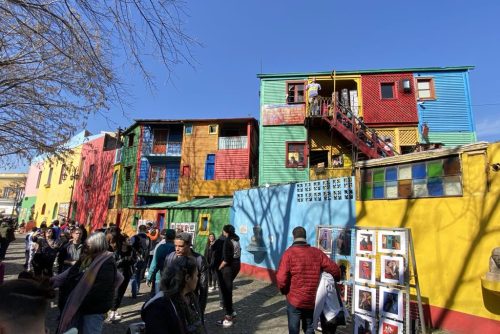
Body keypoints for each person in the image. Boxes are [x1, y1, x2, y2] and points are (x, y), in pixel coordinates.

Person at [51, 232, 123, 334]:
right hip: (80, 306)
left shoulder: (107, 263)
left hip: (93, 310)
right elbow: (68, 274)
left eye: (88, 246)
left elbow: (99, 290)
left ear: (97, 246)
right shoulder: (87, 258)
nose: (85, 248)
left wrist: (78, 301)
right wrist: (49, 282)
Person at [276, 226, 340, 334]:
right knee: (309, 327)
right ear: (305, 237)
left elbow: (281, 278)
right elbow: (334, 269)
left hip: (294, 300)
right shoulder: (317, 252)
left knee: (293, 329)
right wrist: (337, 278)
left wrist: (284, 291)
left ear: (293, 237)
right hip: (311, 299)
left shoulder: (288, 254)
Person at [142, 256, 206, 333]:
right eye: (196, 275)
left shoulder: (189, 298)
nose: (197, 278)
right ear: (187, 278)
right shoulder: (159, 307)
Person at [163, 232, 208, 322]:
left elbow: (203, 288)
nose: (177, 249)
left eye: (181, 246)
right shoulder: (170, 257)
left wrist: (200, 311)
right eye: (175, 246)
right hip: (173, 302)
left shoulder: (199, 260)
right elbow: (165, 281)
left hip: (191, 302)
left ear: (188, 245)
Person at [214, 225, 241, 328]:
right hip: (236, 265)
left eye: (223, 230)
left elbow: (226, 259)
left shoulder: (227, 241)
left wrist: (219, 268)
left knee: (226, 292)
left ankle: (228, 317)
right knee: (227, 290)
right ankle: (232, 311)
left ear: (225, 231)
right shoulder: (236, 239)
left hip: (228, 268)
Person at [108, 233, 136, 322]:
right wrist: (123, 260)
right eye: (128, 240)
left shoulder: (132, 250)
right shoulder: (117, 251)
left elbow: (134, 261)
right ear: (123, 242)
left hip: (127, 274)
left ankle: (114, 310)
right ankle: (112, 312)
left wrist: (131, 260)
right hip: (118, 274)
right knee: (116, 292)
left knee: (121, 292)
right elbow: (114, 264)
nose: (130, 241)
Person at [147, 228, 176, 295]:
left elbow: (154, 263)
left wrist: (149, 277)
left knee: (159, 297)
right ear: (174, 237)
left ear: (165, 237)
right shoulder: (176, 248)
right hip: (172, 277)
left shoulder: (160, 247)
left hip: (159, 277)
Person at [130, 224, 151, 298]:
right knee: (139, 274)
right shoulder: (148, 238)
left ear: (139, 229)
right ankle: (137, 288)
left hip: (134, 258)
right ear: (145, 230)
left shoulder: (134, 237)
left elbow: (130, 246)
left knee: (134, 274)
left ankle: (134, 290)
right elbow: (148, 249)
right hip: (143, 259)